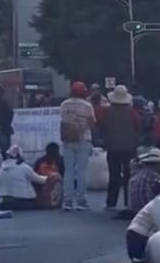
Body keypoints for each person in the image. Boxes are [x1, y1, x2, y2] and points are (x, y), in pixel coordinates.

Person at [100, 85, 141, 211]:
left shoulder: (107, 111)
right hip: (129, 147)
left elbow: (101, 125)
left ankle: (111, 202)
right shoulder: (132, 111)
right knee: (129, 174)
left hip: (112, 146)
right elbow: (138, 125)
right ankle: (128, 201)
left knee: (114, 175)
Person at [59, 81, 97, 211]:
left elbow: (63, 120)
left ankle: (67, 201)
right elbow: (92, 123)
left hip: (68, 140)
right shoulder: (87, 105)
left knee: (68, 170)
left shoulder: (64, 104)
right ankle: (81, 201)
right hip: (83, 139)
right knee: (82, 171)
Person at [0, 146, 48, 211]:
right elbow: (39, 180)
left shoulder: (2, 168)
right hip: (23, 200)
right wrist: (50, 177)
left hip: (6, 200)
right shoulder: (24, 167)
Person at [129, 149, 160, 213]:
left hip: (137, 211)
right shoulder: (154, 176)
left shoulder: (139, 174)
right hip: (149, 211)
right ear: (157, 164)